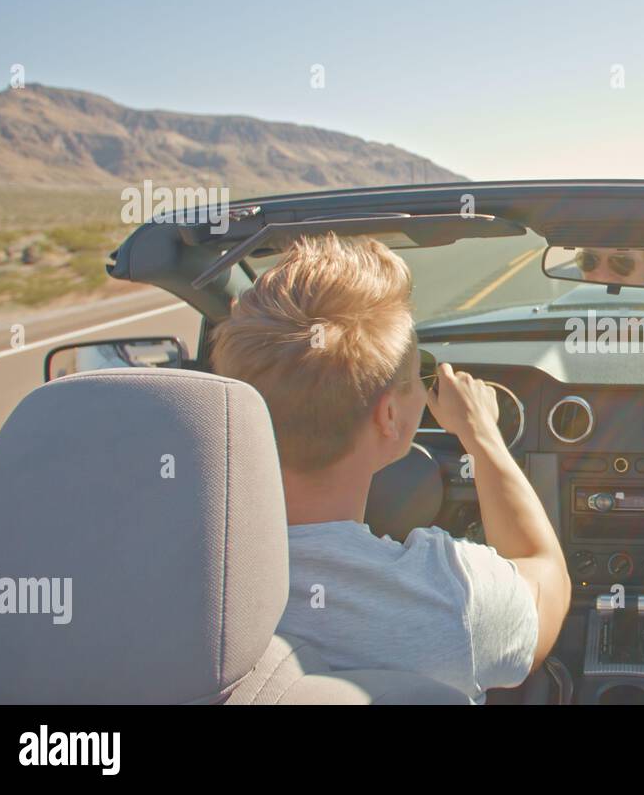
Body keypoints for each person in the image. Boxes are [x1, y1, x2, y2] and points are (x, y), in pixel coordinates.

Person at [211, 233, 570, 702]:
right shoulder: (451, 601)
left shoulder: (158, 576)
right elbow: (549, 577)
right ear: (389, 416)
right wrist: (482, 437)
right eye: (418, 374)